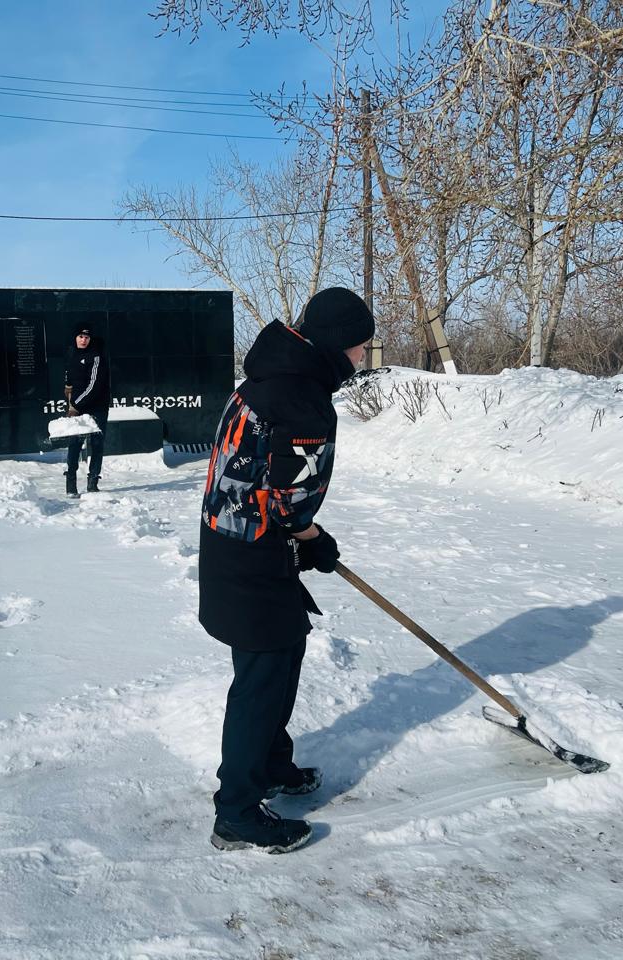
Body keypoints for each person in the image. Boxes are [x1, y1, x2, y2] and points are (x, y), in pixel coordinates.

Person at [198, 286, 374, 854]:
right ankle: (238, 813)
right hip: (252, 553)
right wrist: (313, 539)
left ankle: (272, 765)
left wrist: (299, 540)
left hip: (234, 543)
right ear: (339, 346)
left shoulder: (269, 376)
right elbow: (285, 501)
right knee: (262, 678)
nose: (365, 357)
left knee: (282, 654)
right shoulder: (302, 399)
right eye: (362, 346)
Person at [63, 322, 110, 497]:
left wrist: (76, 405)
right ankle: (71, 484)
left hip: (97, 407)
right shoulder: (72, 354)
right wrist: (68, 389)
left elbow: (94, 386)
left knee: (96, 444)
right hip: (77, 407)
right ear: (75, 337)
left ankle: (92, 483)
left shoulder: (96, 356)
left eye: (87, 337)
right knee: (74, 443)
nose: (83, 340)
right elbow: (69, 378)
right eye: (81, 336)